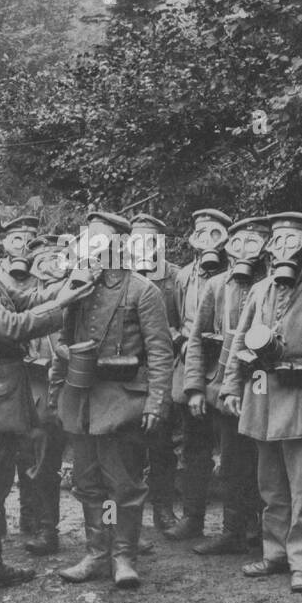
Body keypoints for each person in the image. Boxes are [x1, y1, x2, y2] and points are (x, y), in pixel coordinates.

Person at [0, 203, 94, 603]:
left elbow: (26, 300)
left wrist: (68, 289)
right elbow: (11, 326)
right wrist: (62, 307)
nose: (0, 244)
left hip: (1, 398)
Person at [220, 212, 302, 593]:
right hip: (263, 399)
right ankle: (275, 553)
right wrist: (231, 387)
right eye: (277, 242)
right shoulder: (261, 289)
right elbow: (239, 342)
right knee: (271, 488)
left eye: (292, 241)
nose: (283, 249)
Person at [52, 211, 173, 588]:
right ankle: (97, 554)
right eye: (90, 240)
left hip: (122, 401)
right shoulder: (77, 287)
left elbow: (160, 352)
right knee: (88, 482)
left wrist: (156, 402)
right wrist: (58, 384)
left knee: (124, 483)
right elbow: (59, 338)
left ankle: (124, 557)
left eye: (102, 241)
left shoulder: (143, 290)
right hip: (83, 400)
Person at [183, 215, 270, 555]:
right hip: (224, 387)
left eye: (255, 242)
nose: (246, 250)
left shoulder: (274, 285)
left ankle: (263, 532)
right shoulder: (217, 286)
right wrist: (194, 388)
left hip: (264, 387)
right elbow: (194, 341)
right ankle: (233, 531)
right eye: (240, 243)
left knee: (265, 463)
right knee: (233, 461)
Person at [164, 208, 233, 540]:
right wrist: (182, 341)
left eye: (215, 233)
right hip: (193, 369)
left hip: (229, 369)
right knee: (195, 447)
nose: (208, 241)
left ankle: (242, 524)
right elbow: (176, 319)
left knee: (237, 448)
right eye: (201, 233)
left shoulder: (239, 274)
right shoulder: (183, 277)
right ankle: (193, 519)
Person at [127, 213, 183, 534]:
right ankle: (127, 519)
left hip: (164, 370)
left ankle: (164, 509)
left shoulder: (175, 278)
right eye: (136, 240)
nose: (143, 247)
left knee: (162, 445)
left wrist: (176, 334)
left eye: (150, 240)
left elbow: (190, 318)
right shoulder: (120, 275)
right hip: (129, 373)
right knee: (126, 447)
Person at [19, 233, 71, 555]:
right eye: (44, 261)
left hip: (76, 390)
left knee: (101, 469)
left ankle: (114, 531)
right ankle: (44, 529)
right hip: (38, 393)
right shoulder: (25, 302)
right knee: (40, 465)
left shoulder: (79, 297)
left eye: (58, 260)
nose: (52, 266)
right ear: (35, 268)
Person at [0, 213, 44, 535]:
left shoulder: (46, 275)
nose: (23, 247)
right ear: (4, 244)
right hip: (4, 375)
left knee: (34, 449)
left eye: (29, 240)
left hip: (39, 378)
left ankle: (32, 518)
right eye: (16, 240)